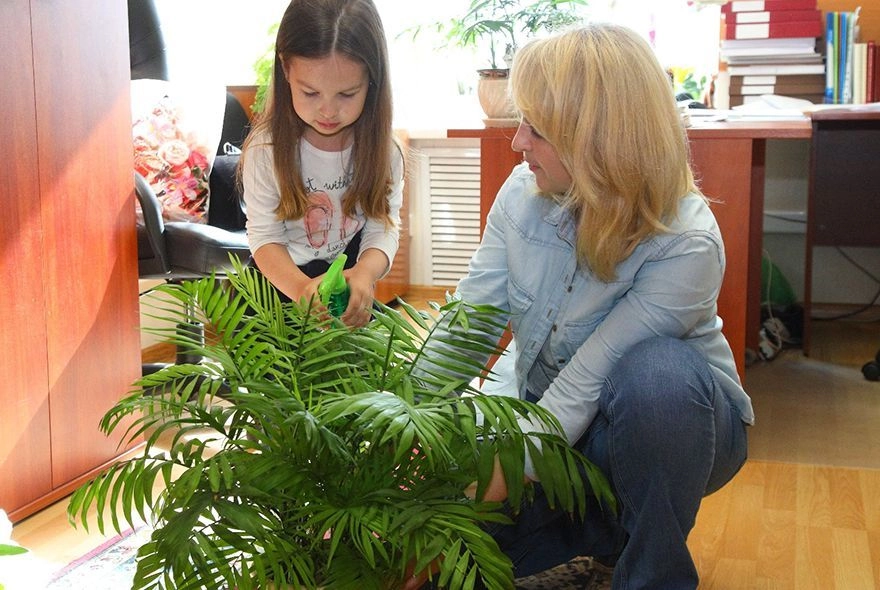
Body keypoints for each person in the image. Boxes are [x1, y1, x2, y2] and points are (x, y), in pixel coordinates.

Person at [409, 23, 754, 590]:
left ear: (597, 141)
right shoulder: (521, 195)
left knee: (657, 379)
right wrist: (400, 427)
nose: (518, 143)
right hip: (551, 425)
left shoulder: (686, 243)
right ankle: (607, 529)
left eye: (537, 129)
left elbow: (583, 388)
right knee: (442, 563)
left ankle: (651, 572)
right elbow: (466, 330)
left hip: (671, 430)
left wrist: (490, 481)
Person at [240, 0, 403, 328]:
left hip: (346, 292)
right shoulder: (266, 150)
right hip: (278, 289)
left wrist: (365, 274)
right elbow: (264, 236)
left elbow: (382, 227)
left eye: (346, 94)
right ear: (286, 70)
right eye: (311, 93)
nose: (328, 111)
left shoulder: (385, 152)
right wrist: (300, 288)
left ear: (372, 80)